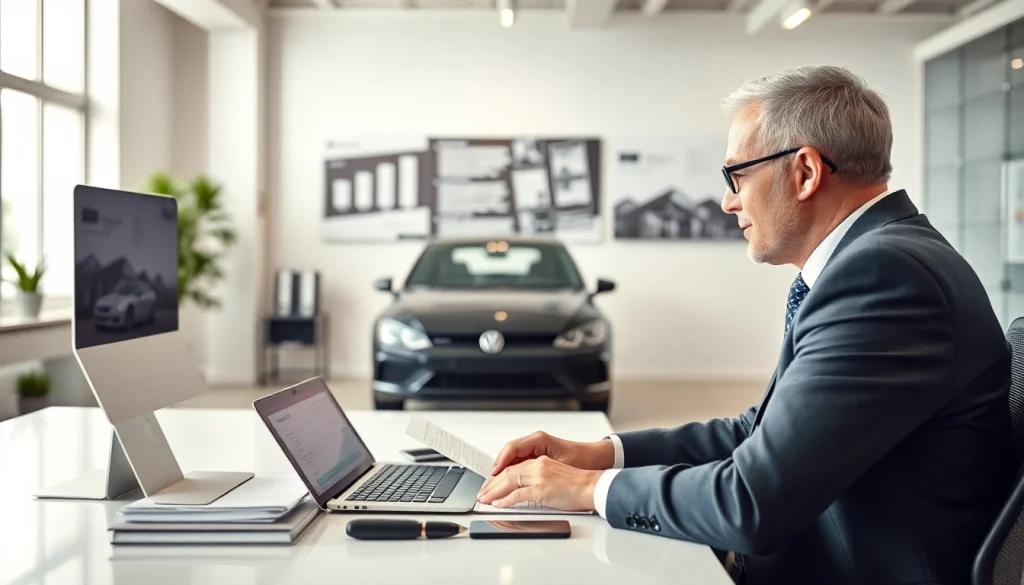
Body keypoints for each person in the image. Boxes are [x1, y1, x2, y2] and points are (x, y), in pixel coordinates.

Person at [476, 65, 1017, 585]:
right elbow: (756, 434)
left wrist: (589, 488)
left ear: (805, 171)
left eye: (737, 174)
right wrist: (601, 453)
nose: (727, 200)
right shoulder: (876, 260)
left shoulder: (885, 275)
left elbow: (752, 502)